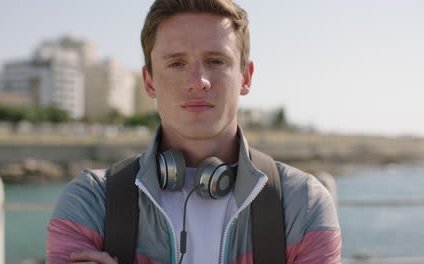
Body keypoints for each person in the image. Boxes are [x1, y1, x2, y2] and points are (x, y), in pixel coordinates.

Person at [46, 0, 341, 263]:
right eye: (176, 63)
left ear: (246, 77)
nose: (198, 81)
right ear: (149, 82)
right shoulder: (91, 201)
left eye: (216, 61)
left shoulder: (302, 202)